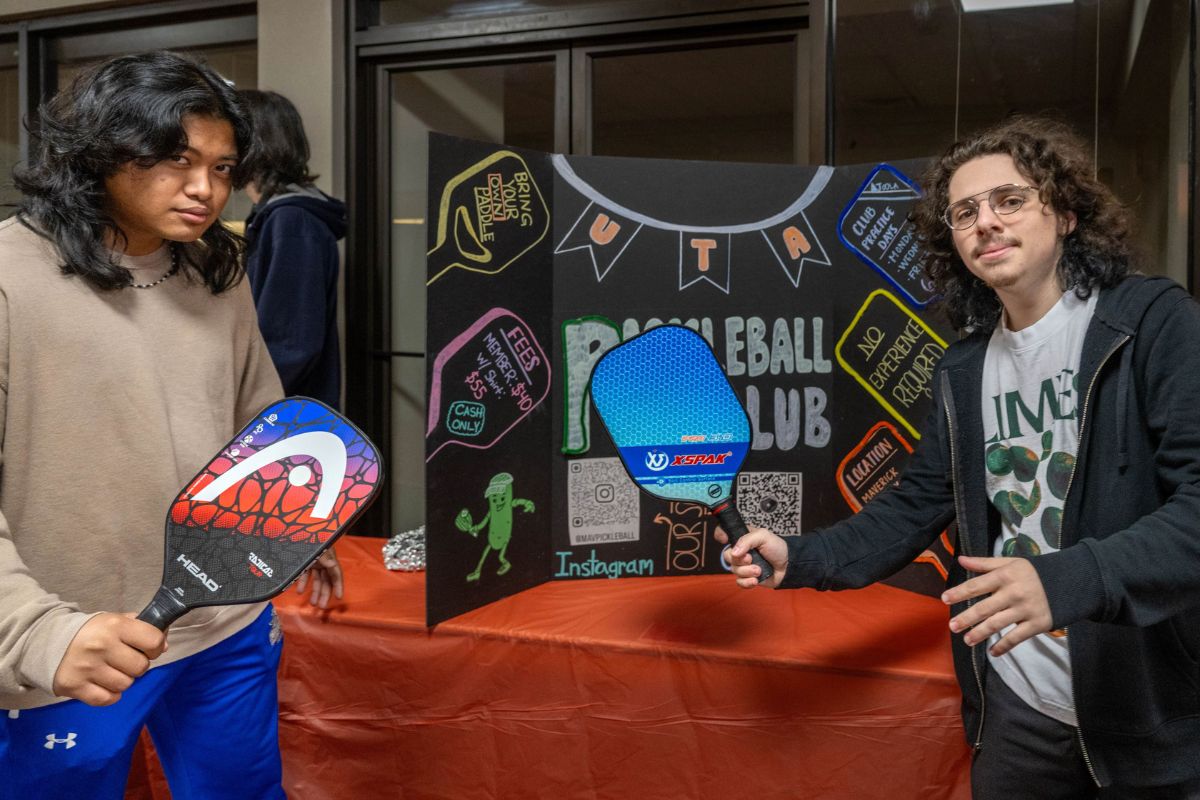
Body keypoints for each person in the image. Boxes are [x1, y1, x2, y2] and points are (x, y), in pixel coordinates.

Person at [718, 116, 1200, 796]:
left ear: (1064, 213)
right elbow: (917, 504)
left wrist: (1062, 581)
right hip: (1018, 704)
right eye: (964, 212)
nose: (985, 223)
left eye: (1010, 200)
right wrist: (802, 557)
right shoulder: (964, 368)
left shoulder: (1151, 322)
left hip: (1147, 708)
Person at [0, 51, 337, 800]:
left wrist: (297, 526)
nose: (205, 189)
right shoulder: (8, 276)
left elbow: (259, 421)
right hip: (72, 643)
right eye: (178, 160)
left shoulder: (218, 272)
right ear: (100, 153)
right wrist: (34, 633)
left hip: (226, 624)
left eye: (222, 168)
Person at [239, 89, 345, 410]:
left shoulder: (292, 220)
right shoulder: (277, 215)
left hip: (278, 419)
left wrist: (242, 407)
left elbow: (290, 344)